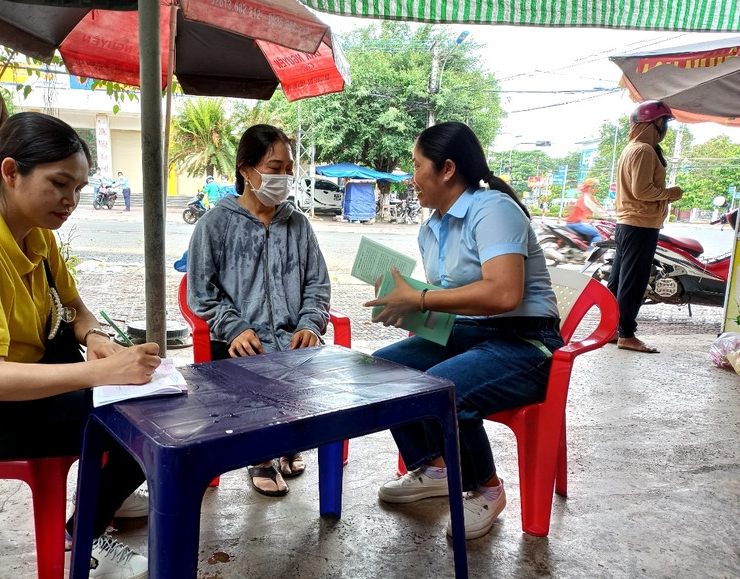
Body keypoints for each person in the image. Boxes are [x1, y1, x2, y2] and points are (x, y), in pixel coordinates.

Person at [0, 112, 161, 579]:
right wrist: (102, 375)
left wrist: (97, 340)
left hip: (27, 380)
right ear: (11, 172)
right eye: (59, 184)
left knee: (148, 400)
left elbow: (76, 308)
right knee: (138, 420)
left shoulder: (35, 232)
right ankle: (82, 538)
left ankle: (103, 493)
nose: (71, 201)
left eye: (79, 188)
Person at [365, 121, 564, 540]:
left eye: (417, 165)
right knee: (381, 370)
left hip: (526, 342)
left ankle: (487, 488)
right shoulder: (431, 227)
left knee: (443, 387)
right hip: (469, 332)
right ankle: (435, 467)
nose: (411, 176)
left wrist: (420, 299)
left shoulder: (493, 209)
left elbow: (504, 293)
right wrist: (405, 304)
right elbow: (449, 299)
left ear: (447, 169)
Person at [186, 124, 331, 497]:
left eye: (288, 170)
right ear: (245, 170)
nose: (283, 178)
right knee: (255, 375)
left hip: (293, 342)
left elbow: (318, 285)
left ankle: (288, 442)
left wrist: (310, 324)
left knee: (321, 375)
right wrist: (234, 327)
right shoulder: (215, 224)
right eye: (274, 168)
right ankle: (262, 457)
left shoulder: (298, 225)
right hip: (238, 342)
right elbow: (200, 292)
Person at [607, 100, 683, 354]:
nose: (665, 129)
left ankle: (611, 328)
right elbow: (642, 191)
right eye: (664, 122)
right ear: (653, 123)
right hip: (640, 224)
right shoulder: (644, 151)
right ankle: (626, 334)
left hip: (628, 224)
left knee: (619, 280)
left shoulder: (632, 148)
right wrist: (671, 193)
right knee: (633, 282)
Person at [564, 177, 605, 246]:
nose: (597, 188)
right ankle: (590, 251)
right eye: (595, 186)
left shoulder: (583, 196)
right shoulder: (587, 197)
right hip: (575, 223)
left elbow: (590, 211)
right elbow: (597, 209)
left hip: (572, 222)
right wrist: (609, 217)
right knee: (598, 234)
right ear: (590, 187)